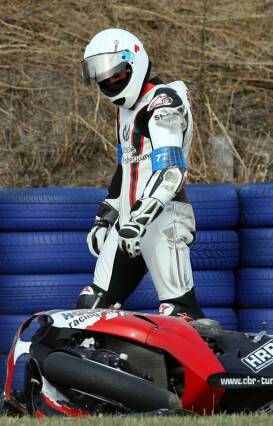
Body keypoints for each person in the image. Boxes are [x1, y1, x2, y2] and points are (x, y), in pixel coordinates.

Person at [75, 28, 204, 320]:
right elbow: (127, 166)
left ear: (135, 62)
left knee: (179, 314)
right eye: (101, 77)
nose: (108, 82)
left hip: (161, 218)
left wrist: (140, 219)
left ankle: (212, 365)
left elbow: (171, 171)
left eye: (116, 74)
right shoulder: (125, 111)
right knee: (92, 308)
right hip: (127, 224)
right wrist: (105, 218)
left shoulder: (163, 101)